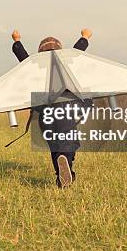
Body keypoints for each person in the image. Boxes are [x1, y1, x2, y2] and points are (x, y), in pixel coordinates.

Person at [11, 28, 92, 188]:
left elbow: (23, 58)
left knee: (54, 143)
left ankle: (61, 177)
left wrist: (16, 41)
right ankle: (66, 164)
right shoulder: (66, 66)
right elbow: (77, 52)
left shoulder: (34, 68)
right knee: (68, 142)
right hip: (66, 110)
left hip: (45, 114)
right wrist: (85, 37)